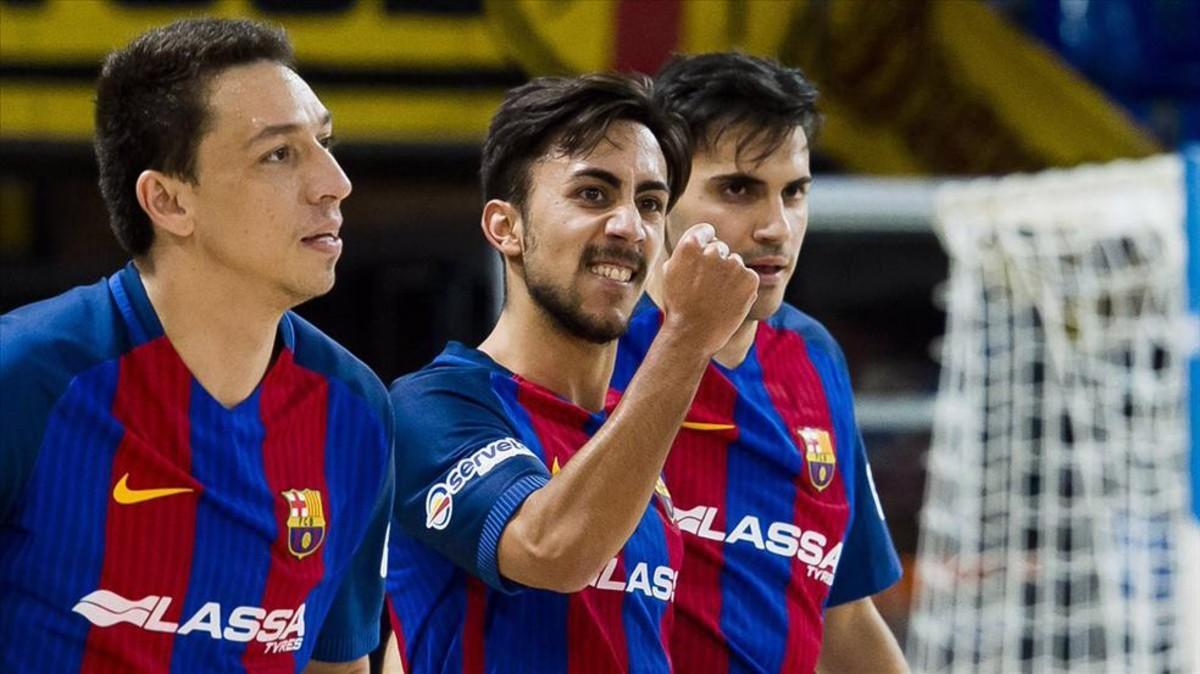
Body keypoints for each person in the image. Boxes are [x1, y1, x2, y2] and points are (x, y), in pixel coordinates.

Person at [0, 18, 392, 673]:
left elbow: (338, 665)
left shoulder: (354, 412)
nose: (335, 182)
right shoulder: (27, 380)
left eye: (324, 143)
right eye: (279, 154)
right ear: (169, 201)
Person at [382, 73, 758, 673]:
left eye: (651, 204)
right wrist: (688, 337)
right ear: (506, 227)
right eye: (592, 194)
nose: (630, 226)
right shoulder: (432, 406)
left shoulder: (632, 438)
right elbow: (553, 550)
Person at [611, 53, 908, 673]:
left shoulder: (815, 357)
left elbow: (845, 615)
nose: (776, 227)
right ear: (658, 199)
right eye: (739, 189)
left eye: (794, 192)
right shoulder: (596, 350)